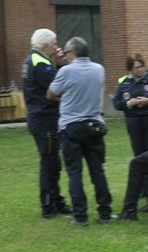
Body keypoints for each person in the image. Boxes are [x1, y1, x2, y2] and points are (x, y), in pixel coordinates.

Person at [47, 36, 113, 225]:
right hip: (94, 126)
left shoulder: (66, 71)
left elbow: (51, 94)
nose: (65, 56)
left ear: (73, 53)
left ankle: (80, 216)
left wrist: (59, 68)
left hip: (71, 126)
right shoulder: (99, 69)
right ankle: (105, 213)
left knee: (74, 172)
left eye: (66, 52)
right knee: (97, 171)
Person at [112, 55, 148, 216]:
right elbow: (116, 103)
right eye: (136, 67)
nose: (139, 69)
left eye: (141, 66)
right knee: (139, 155)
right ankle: (142, 189)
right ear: (130, 69)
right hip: (133, 122)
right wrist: (129, 103)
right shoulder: (124, 82)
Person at [22, 28, 66, 218]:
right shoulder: (39, 63)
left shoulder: (34, 59)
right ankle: (48, 206)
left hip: (42, 118)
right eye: (55, 43)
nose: (57, 47)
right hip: (45, 119)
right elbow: (58, 87)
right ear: (46, 45)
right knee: (49, 163)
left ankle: (56, 201)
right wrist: (62, 65)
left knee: (54, 162)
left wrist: (56, 64)